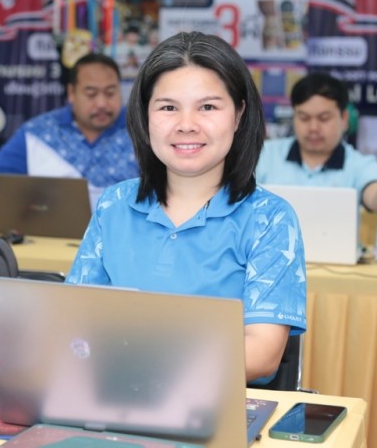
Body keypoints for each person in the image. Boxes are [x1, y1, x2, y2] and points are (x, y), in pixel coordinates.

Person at [66, 32, 306, 383]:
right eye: (168, 107)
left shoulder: (270, 218)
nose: (187, 125)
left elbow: (261, 354)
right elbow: (71, 322)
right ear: (144, 115)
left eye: (208, 107)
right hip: (111, 395)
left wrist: (143, 359)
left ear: (238, 115)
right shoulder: (114, 204)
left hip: (216, 405)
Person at [0, 53, 139, 207]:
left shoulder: (142, 132)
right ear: (71, 93)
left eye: (110, 92)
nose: (101, 103)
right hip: (51, 238)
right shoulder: (39, 133)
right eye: (91, 94)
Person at [255, 73, 377, 211]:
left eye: (324, 118)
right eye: (304, 118)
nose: (313, 128)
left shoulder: (361, 165)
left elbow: (373, 194)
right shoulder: (264, 155)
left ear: (344, 119)